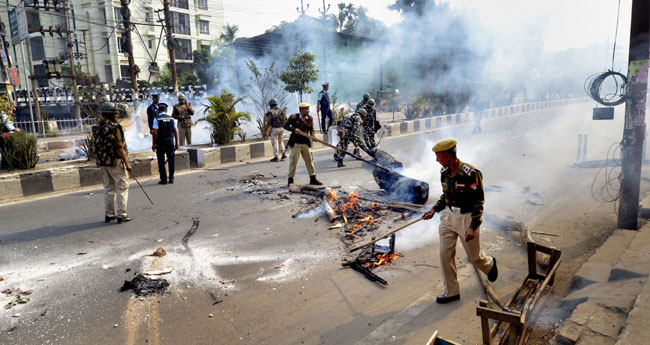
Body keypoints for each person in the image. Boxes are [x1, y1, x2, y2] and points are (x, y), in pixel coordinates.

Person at [422, 138, 497, 304]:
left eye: (439, 156)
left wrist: (473, 226)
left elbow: (479, 202)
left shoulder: (471, 173)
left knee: (474, 257)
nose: (437, 160)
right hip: (448, 217)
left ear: (450, 155)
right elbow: (446, 196)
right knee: (445, 254)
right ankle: (452, 292)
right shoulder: (444, 172)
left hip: (467, 218)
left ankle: (489, 264)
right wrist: (434, 209)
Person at [93, 102, 132, 224]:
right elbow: (119, 148)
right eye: (115, 112)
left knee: (109, 188)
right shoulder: (115, 128)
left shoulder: (98, 127)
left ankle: (109, 214)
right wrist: (127, 163)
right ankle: (122, 215)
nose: (117, 114)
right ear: (110, 114)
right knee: (122, 188)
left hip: (104, 163)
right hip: (116, 162)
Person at [283, 103, 323, 186]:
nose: (308, 111)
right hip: (296, 143)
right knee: (293, 162)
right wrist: (294, 129)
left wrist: (313, 136)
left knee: (310, 161)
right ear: (301, 110)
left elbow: (312, 130)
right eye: (306, 109)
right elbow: (285, 126)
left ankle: (313, 178)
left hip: (305, 143)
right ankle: (290, 180)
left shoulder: (310, 119)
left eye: (308, 109)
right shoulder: (293, 117)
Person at [152, 103, 178, 184]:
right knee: (171, 160)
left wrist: (153, 144)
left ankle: (163, 179)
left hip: (160, 142)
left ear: (158, 110)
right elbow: (175, 131)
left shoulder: (156, 118)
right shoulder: (171, 118)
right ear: (166, 110)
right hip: (170, 141)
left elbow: (155, 133)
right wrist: (177, 143)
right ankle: (171, 178)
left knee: (161, 160)